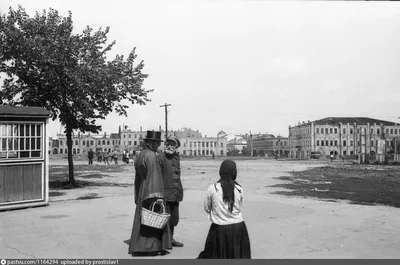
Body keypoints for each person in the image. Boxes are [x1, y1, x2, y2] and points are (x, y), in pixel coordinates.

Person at [128, 130, 172, 256]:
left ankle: (140, 245)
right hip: (152, 190)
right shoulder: (151, 156)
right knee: (152, 217)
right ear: (152, 143)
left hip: (143, 189)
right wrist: (157, 195)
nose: (158, 145)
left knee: (143, 218)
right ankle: (150, 247)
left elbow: (138, 177)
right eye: (157, 143)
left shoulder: (141, 154)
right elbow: (154, 176)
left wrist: (138, 193)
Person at [197, 160, 251, 259]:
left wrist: (218, 212)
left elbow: (207, 208)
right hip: (238, 227)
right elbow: (239, 206)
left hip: (219, 228)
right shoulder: (239, 189)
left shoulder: (213, 188)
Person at [158, 136, 184, 248]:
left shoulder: (177, 157)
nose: (170, 146)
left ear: (176, 147)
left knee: (173, 218)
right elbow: (157, 177)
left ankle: (170, 239)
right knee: (164, 218)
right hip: (165, 194)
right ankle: (163, 242)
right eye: (168, 144)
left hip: (176, 193)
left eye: (172, 144)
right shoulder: (160, 158)